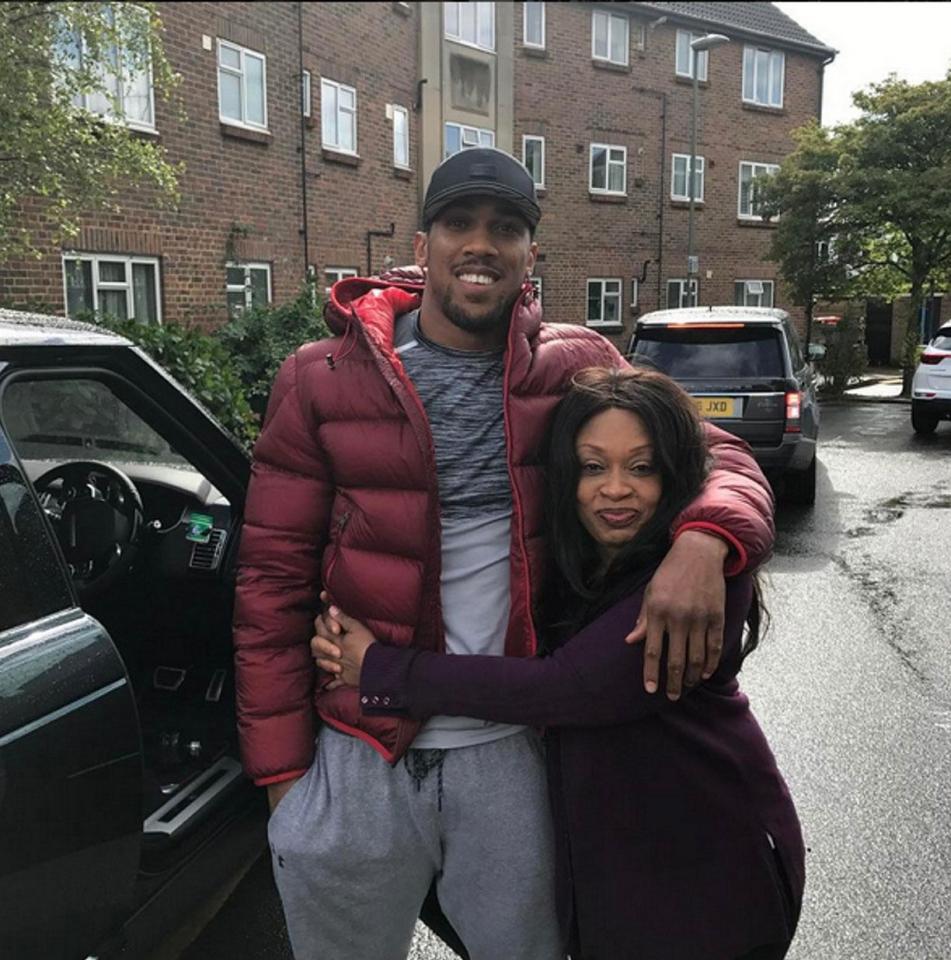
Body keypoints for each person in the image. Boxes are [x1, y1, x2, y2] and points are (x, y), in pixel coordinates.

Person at [233, 147, 775, 960]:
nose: (480, 244)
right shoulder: (319, 379)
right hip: (356, 752)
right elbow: (271, 577)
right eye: (458, 224)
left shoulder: (576, 365)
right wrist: (284, 784)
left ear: (530, 255)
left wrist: (705, 540)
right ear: (423, 247)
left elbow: (711, 456)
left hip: (512, 751)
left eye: (506, 228)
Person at [314, 365, 804, 960]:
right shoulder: (587, 562)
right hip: (631, 869)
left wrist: (384, 670)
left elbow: (569, 687)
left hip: (709, 871)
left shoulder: (689, 587)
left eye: (642, 467)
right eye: (593, 467)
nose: (616, 488)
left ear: (674, 473)